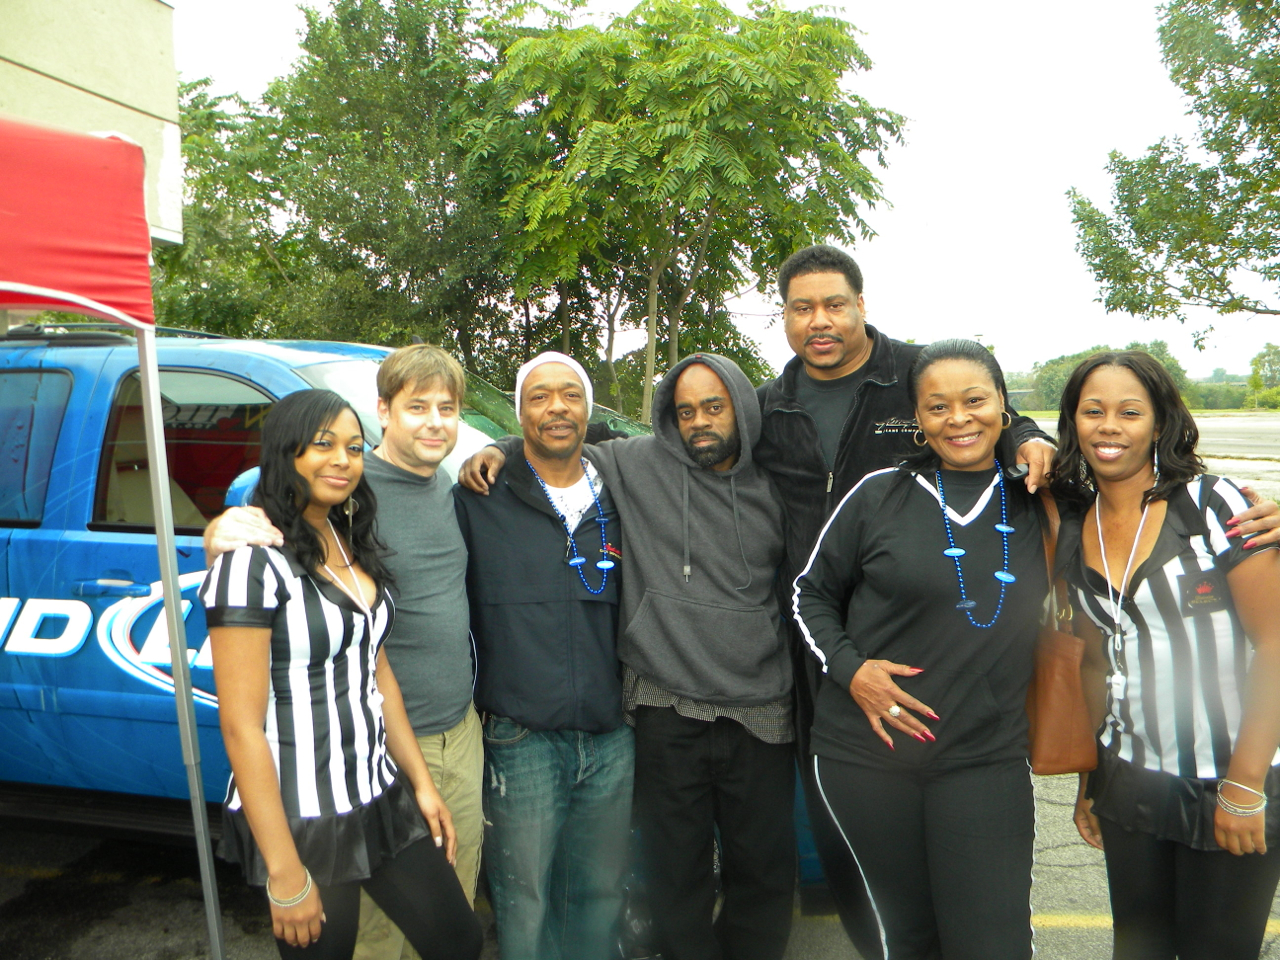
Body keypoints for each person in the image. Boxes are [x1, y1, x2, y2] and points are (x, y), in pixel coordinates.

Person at [462, 353, 796, 960]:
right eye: (685, 410)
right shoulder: (637, 464)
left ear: (742, 410)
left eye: (713, 407)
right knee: (672, 877)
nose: (699, 422)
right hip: (665, 705)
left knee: (762, 875)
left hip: (760, 709)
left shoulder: (778, 485)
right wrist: (502, 447)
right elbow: (553, 438)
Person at [204, 345, 483, 960]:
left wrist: (420, 785)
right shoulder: (251, 562)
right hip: (305, 814)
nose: (342, 460)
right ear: (287, 452)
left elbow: (377, 673)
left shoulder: (346, 532)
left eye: (353, 448)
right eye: (322, 445)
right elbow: (240, 726)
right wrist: (284, 873)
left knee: (459, 937)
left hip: (377, 793)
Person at [793, 339, 1050, 960]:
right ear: (917, 418)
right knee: (903, 937)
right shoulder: (880, 494)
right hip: (867, 755)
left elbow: (1147, 501)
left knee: (993, 940)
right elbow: (809, 595)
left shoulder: (1044, 495)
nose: (957, 418)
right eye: (937, 407)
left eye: (974, 401)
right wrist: (853, 672)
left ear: (1003, 407)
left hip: (984, 754)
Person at [1053, 351, 1280, 960]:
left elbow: (1277, 645)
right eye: (1092, 411)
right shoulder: (1077, 523)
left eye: (1130, 412)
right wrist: (1090, 778)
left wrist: (1245, 787)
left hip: (1227, 776)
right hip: (1130, 778)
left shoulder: (1212, 506)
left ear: (1159, 423)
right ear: (1072, 421)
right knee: (1139, 951)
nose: (1109, 426)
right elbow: (1098, 665)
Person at [454, 351, 633, 960]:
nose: (556, 407)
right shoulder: (480, 493)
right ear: (519, 411)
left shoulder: (623, 492)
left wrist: (501, 441)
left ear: (588, 409)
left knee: (600, 891)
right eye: (538, 397)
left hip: (612, 735)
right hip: (519, 736)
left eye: (570, 395)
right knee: (522, 896)